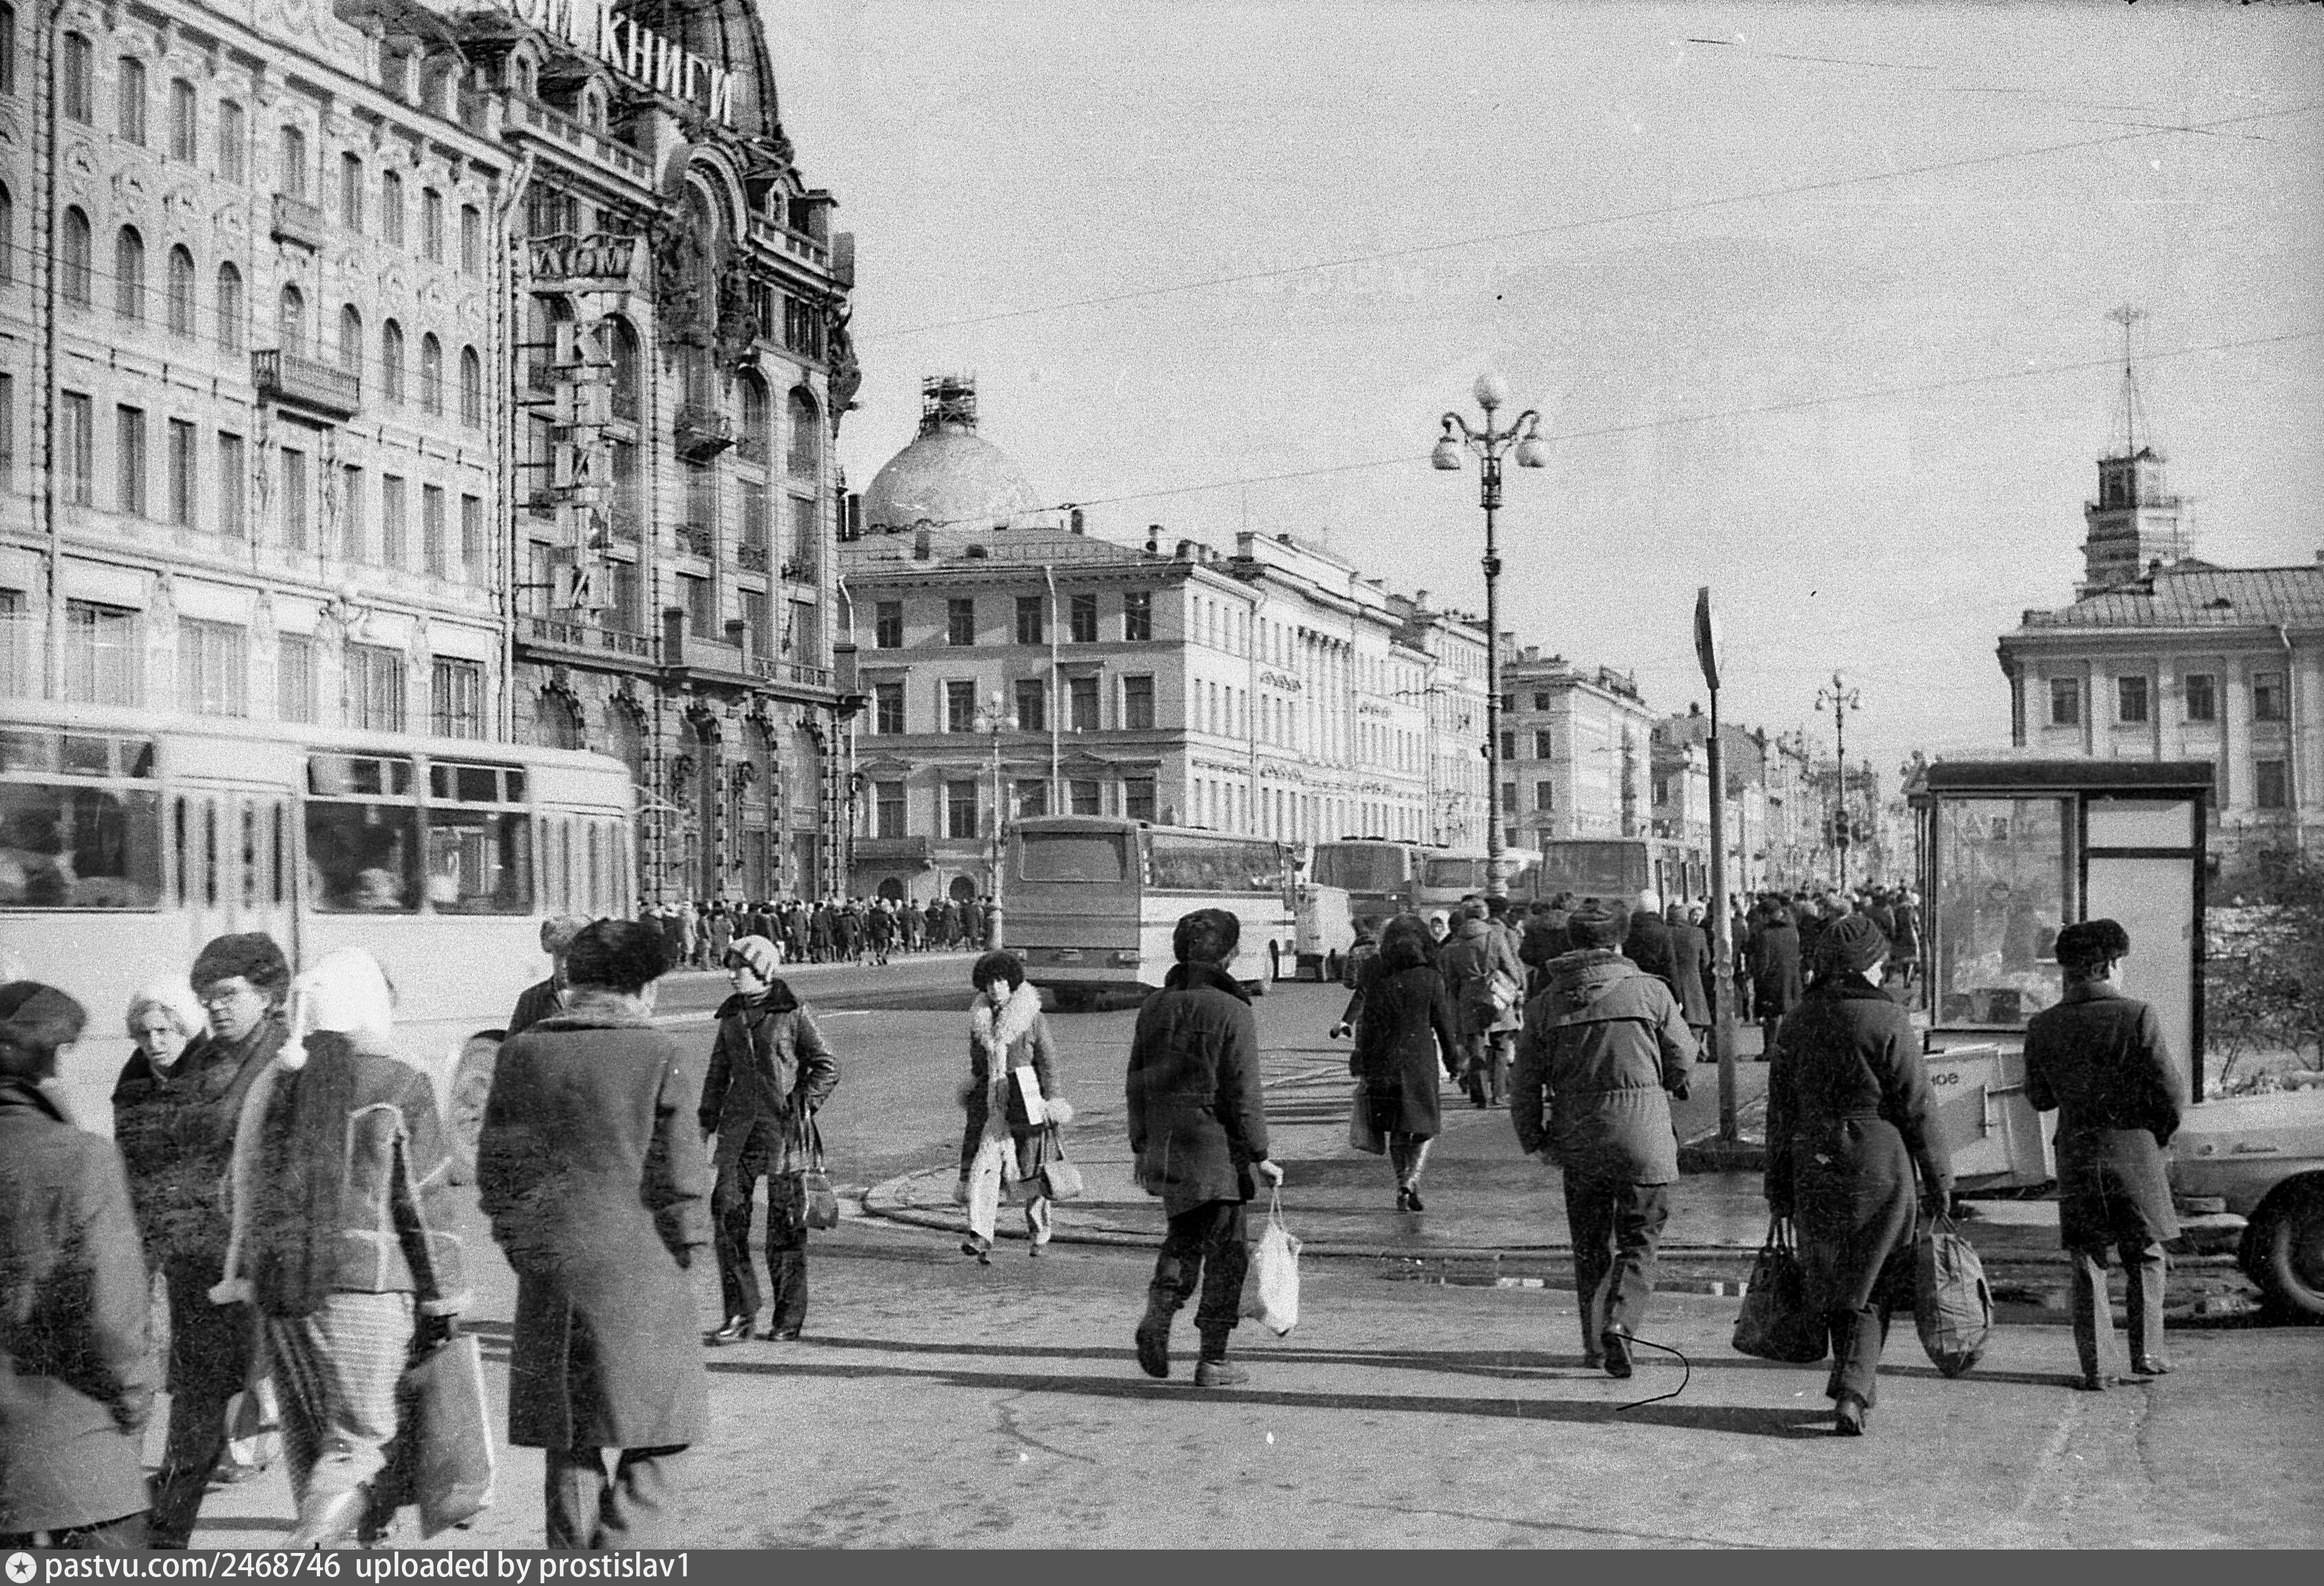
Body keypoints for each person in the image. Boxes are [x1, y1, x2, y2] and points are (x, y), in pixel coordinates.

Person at [209, 949, 469, 1548]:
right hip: (367, 1293)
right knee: (360, 1443)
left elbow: (233, 1193)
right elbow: (424, 1201)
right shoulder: (399, 1079)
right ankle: (305, 1552)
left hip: (281, 1291)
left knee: (309, 1440)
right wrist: (446, 1298)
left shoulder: (277, 1078)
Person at [478, 920, 713, 1551]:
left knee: (571, 1436)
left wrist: (524, 1247)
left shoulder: (521, 1053)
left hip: (551, 1273)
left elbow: (497, 1171)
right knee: (661, 1432)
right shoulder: (656, 1054)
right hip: (643, 1268)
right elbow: (680, 1175)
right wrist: (690, 1251)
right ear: (641, 989)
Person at [111, 932, 290, 1548]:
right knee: (197, 1398)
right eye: (206, 995)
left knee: (310, 1416)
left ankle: (353, 1525)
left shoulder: (289, 1060)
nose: (214, 1006)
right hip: (205, 1263)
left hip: (275, 1266)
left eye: (228, 994)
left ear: (267, 994)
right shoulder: (203, 1061)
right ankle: (167, 1537)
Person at [1764, 914, 1952, 1435]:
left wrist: (1777, 1183)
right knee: (1875, 1277)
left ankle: (1854, 1383)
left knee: (1833, 1273)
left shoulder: (1797, 1021)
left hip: (1813, 1158)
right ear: (1869, 965)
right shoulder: (1888, 1019)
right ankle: (1852, 1389)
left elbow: (1780, 1113)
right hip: (1880, 1159)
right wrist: (1939, 1179)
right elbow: (1918, 1106)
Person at [0, 982, 156, 1550]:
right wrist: (134, 1398)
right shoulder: (82, 1157)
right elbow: (114, 1315)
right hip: (77, 1449)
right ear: (55, 1058)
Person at [1510, 902, 1693, 1376]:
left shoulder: (1545, 1004)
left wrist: (1534, 1138)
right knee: (1641, 1239)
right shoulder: (1650, 992)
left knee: (1590, 1245)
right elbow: (1683, 1055)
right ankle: (1620, 1324)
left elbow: (1524, 1082)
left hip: (1578, 1140)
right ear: (1618, 942)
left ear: (1572, 943)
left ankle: (1594, 1345)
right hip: (1644, 1137)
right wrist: (1667, 1082)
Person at [2022, 920, 2186, 1390]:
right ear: (2107, 966)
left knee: (2088, 1259)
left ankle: (2098, 1368)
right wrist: (2158, 1135)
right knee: (2146, 1251)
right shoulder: (2137, 1016)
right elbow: (2171, 1093)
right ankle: (2148, 1354)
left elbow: (2039, 1099)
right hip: (2134, 1149)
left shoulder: (2042, 1025)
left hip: (2077, 1152)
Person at [1126, 908, 1284, 1386]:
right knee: (1227, 1254)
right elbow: (1244, 1092)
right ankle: (1213, 1360)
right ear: (1230, 956)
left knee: (1183, 1236)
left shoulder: (1154, 1006)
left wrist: (1141, 1142)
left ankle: (1160, 1311)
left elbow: (1137, 1081)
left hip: (1168, 1143)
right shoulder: (1233, 1011)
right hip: (1218, 1149)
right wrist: (1261, 1154)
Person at [698, 935, 838, 1342]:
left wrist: (802, 1103)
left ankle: (788, 1318)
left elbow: (827, 1065)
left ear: (762, 970)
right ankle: (740, 1313)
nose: (731, 976)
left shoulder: (792, 1013)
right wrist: (705, 1123)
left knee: (785, 1225)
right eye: (730, 968)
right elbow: (717, 1074)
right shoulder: (731, 1016)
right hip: (738, 1132)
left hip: (783, 1131)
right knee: (727, 1216)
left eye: (739, 968)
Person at [956, 951, 1071, 1260]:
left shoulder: (1032, 1017)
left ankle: (1039, 1232)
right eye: (989, 983)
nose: (995, 988)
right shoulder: (980, 1020)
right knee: (984, 1168)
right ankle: (980, 1235)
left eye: (1001, 981)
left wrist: (1052, 1102)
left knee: (1033, 1172)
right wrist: (975, 1088)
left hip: (1027, 1102)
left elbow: (1048, 1064)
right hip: (992, 1107)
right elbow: (978, 1066)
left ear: (1012, 983)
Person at [1347, 914, 1461, 1212]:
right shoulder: (1431, 978)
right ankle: (1411, 1180)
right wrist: (1454, 1063)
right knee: (1425, 1126)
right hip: (1419, 1063)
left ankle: (1402, 1182)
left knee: (1396, 1128)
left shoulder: (1375, 972)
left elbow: (1368, 1023)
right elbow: (1444, 1026)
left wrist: (1361, 1060)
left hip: (1382, 1062)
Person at [1441, 897, 1524, 1108]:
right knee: (1500, 1044)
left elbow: (1451, 980)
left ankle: (1481, 1096)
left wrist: (1462, 994)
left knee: (1476, 1046)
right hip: (1494, 992)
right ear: (1484, 916)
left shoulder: (1453, 945)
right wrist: (1513, 987)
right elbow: (1510, 967)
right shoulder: (1495, 937)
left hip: (1468, 996)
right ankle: (1499, 1093)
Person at [509, 914, 593, 1037]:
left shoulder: (603, 998)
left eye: (573, 957)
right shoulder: (531, 1000)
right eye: (560, 956)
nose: (564, 965)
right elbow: (512, 1046)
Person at [1751, 900, 1803, 1059]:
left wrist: (1759, 981)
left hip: (1772, 981)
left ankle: (1770, 1050)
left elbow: (1763, 964)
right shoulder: (1792, 931)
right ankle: (1788, 1048)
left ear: (1766, 916)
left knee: (1772, 1018)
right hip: (1791, 979)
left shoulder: (1766, 935)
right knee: (1788, 1015)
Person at [1664, 900, 1714, 1064]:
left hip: (1669, 984)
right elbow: (1706, 961)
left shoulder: (1665, 933)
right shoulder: (1697, 933)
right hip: (1693, 983)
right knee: (1695, 1023)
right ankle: (1696, 1050)